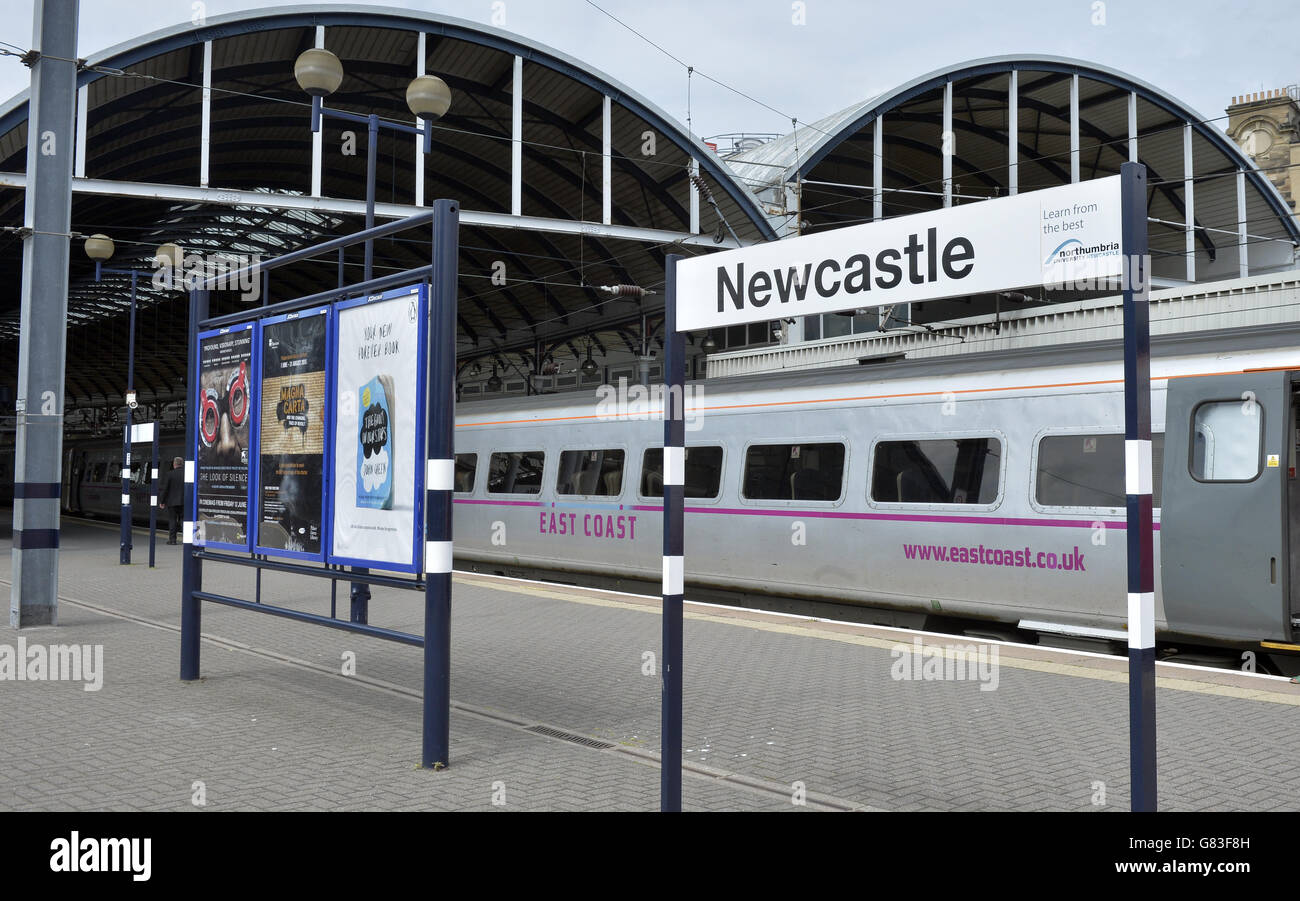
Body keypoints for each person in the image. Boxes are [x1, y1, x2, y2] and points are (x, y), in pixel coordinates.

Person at [159, 456, 185, 545]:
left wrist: (162, 501)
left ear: (174, 464)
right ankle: (187, 539)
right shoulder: (187, 474)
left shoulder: (169, 474)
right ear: (182, 464)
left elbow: (165, 489)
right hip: (184, 502)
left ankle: (172, 540)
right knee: (183, 520)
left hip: (172, 502)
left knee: (172, 520)